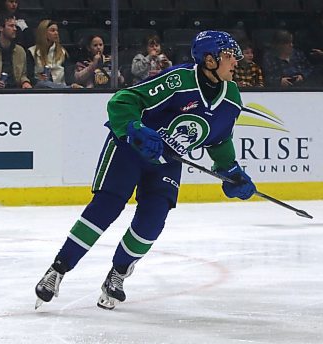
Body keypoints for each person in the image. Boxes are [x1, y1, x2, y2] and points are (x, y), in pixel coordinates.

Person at [34, 30, 256, 311]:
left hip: (167, 161)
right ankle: (58, 268)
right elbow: (124, 100)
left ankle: (118, 273)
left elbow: (220, 139)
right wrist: (135, 128)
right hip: (131, 149)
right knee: (106, 207)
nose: (236, 61)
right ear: (209, 60)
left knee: (153, 221)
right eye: (228, 56)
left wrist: (231, 171)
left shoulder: (232, 99)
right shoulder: (179, 80)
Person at [27, 20, 81, 89]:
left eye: (57, 30)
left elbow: (68, 74)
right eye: (52, 30)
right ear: (43, 33)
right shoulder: (31, 52)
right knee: (43, 83)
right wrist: (37, 78)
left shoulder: (62, 52)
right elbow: (29, 76)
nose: (56, 33)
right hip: (41, 89)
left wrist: (73, 84)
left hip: (61, 88)